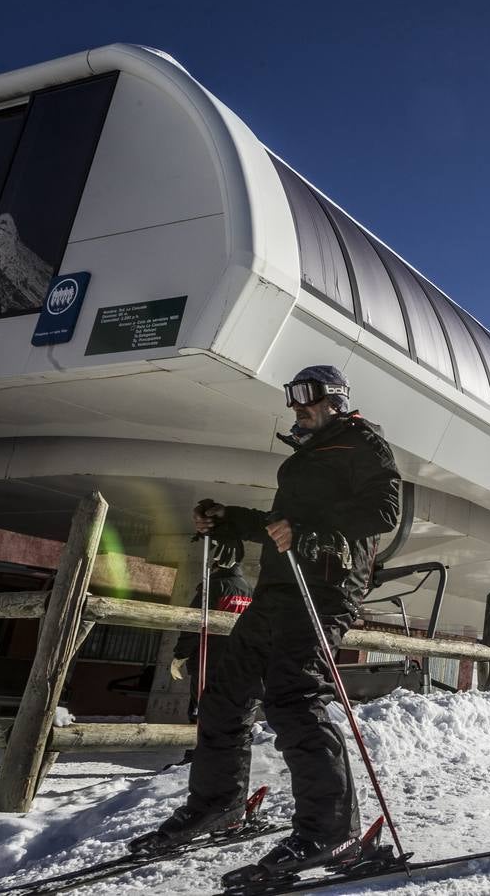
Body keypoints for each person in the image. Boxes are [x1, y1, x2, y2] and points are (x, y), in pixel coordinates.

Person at [130, 365, 402, 877]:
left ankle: (331, 832)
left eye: (310, 399)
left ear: (337, 401)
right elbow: (283, 526)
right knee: (224, 693)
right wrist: (231, 518)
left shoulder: (363, 444)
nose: (298, 407)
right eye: (293, 400)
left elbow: (384, 511)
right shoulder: (307, 456)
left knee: (294, 697)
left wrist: (314, 530)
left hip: (325, 589)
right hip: (279, 587)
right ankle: (218, 804)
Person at [167, 541, 252, 765]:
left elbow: (195, 623)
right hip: (235, 664)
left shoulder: (212, 587)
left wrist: (181, 654)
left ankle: (194, 757)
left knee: (199, 709)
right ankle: (220, 755)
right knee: (227, 711)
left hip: (208, 661)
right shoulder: (247, 589)